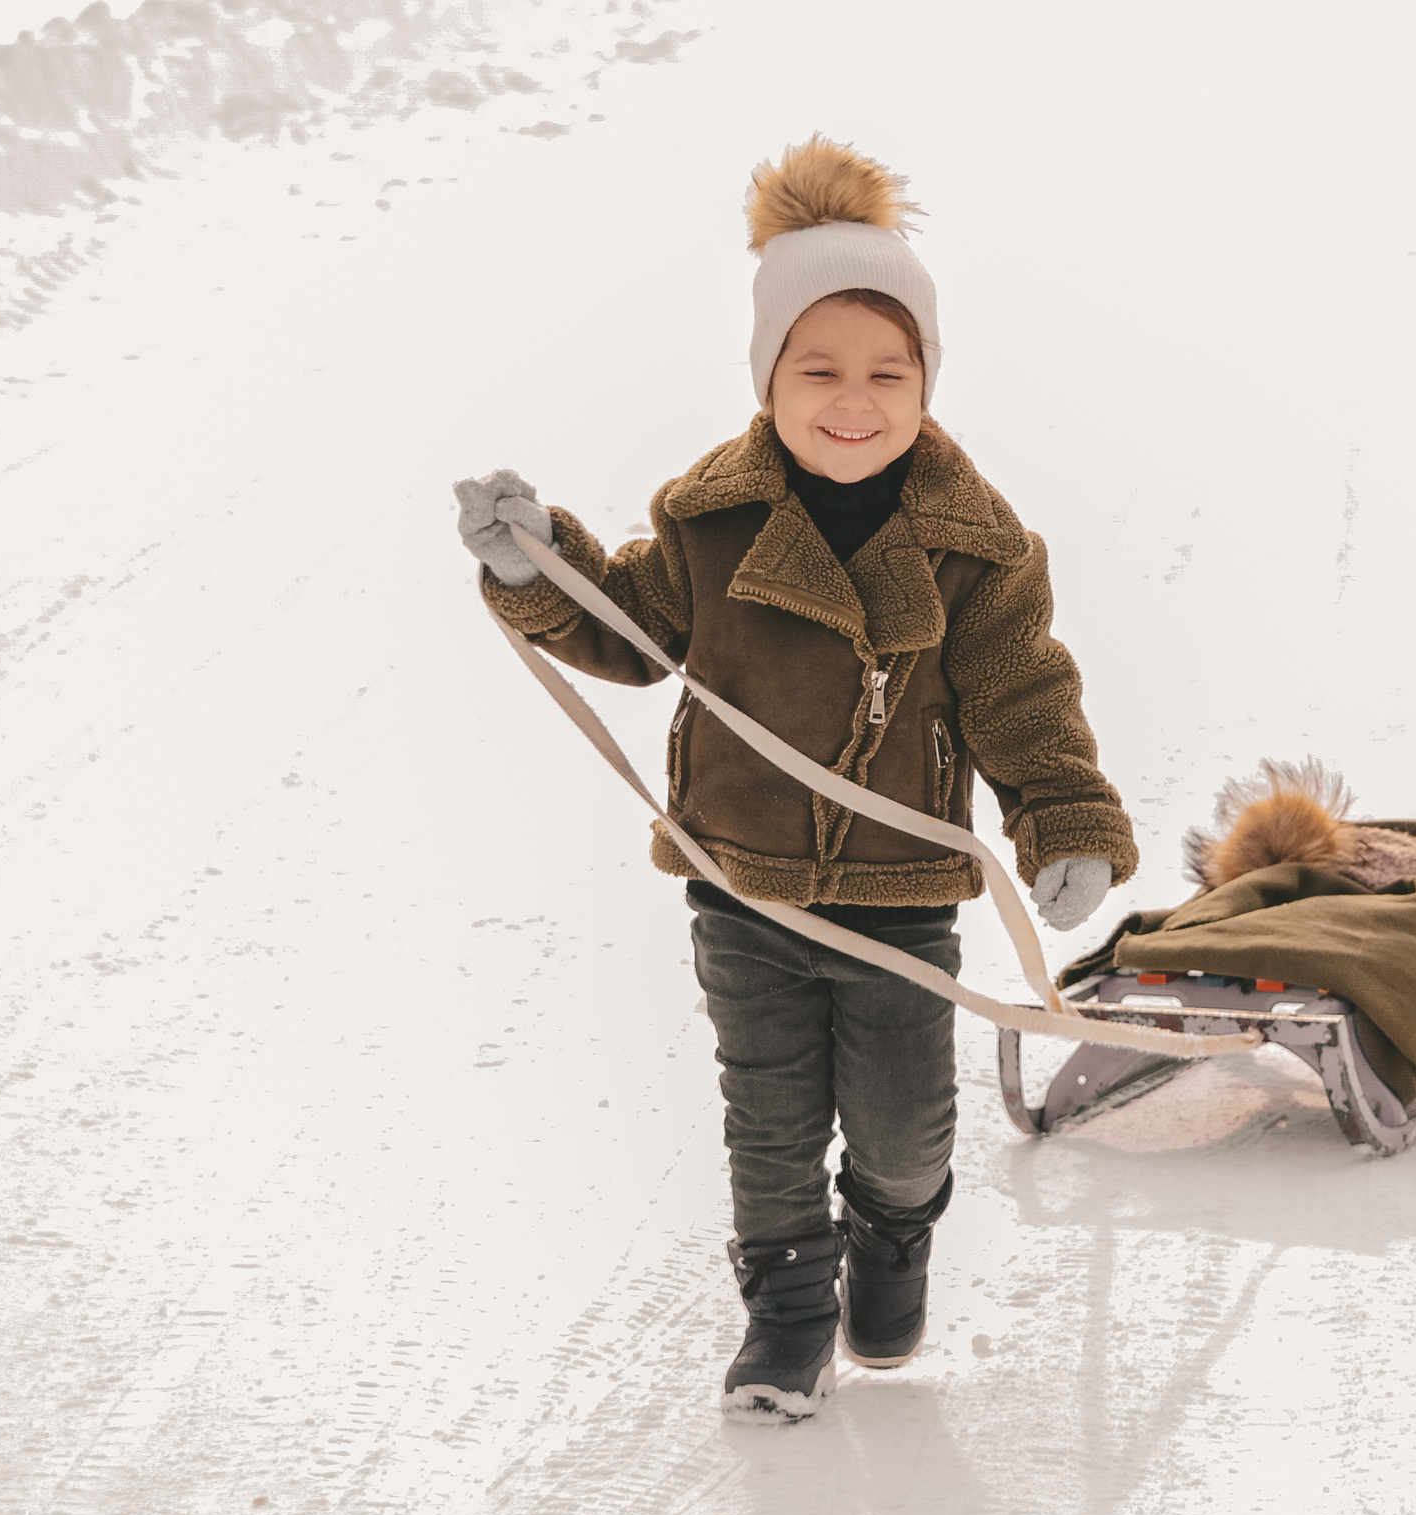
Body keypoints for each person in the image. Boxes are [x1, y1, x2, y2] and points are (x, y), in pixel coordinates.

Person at [456, 136, 1136, 1422]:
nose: (852, 398)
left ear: (928, 383)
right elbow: (633, 633)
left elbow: (1019, 693)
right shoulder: (710, 527)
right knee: (767, 1125)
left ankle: (890, 1236)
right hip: (745, 883)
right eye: (815, 368)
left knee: (900, 1128)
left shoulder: (974, 551)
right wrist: (536, 568)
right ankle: (782, 1316)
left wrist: (1061, 816)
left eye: (889, 370)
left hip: (897, 894)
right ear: (767, 376)